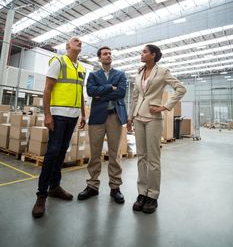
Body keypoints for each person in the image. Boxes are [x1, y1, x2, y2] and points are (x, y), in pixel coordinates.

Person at [127, 44, 186, 214]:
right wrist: (130, 118)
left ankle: (152, 196)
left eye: (144, 51)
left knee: (153, 159)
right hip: (138, 118)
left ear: (153, 55)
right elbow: (135, 96)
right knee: (141, 158)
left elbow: (181, 89)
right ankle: (142, 193)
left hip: (153, 118)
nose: (141, 54)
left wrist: (164, 106)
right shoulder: (139, 72)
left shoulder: (163, 71)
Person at [32, 37, 86, 218]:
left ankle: (55, 187)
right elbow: (47, 89)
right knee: (52, 152)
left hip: (73, 116)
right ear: (67, 46)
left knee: (62, 151)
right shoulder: (58, 61)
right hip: (58, 115)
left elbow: (80, 93)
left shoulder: (81, 68)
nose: (79, 42)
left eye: (81, 42)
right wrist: (47, 114)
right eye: (75, 41)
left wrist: (83, 114)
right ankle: (41, 195)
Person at [78, 46, 128, 204]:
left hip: (115, 117)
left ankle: (115, 187)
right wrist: (108, 88)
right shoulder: (93, 75)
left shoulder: (120, 74)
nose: (109, 56)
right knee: (95, 153)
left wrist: (102, 93)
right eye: (105, 54)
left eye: (110, 54)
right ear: (99, 58)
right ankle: (92, 185)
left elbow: (121, 93)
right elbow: (91, 92)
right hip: (97, 118)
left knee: (114, 154)